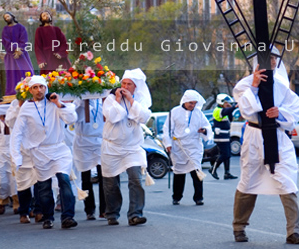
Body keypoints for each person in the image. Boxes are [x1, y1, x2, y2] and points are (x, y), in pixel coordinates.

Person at [232, 50, 299, 245]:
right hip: (254, 137)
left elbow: (293, 114)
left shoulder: (283, 86)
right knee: (248, 181)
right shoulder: (244, 85)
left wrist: (279, 113)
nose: (271, 61)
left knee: (287, 181)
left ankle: (293, 231)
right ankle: (239, 227)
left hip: (277, 137)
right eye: (267, 58)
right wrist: (255, 87)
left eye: (274, 58)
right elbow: (246, 109)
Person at [10, 75, 78, 230]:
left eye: (41, 87)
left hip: (59, 148)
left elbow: (71, 119)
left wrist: (58, 103)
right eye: (35, 87)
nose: (39, 90)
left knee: (64, 180)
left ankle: (68, 217)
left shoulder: (55, 102)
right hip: (39, 152)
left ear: (46, 88)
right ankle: (48, 217)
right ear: (30, 90)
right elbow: (17, 133)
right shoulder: (26, 108)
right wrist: (16, 156)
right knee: (44, 188)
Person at [101, 69, 152, 226]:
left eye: (129, 84)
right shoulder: (110, 99)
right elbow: (113, 117)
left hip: (132, 147)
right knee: (110, 183)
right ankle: (112, 213)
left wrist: (131, 100)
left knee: (136, 179)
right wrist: (118, 100)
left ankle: (135, 214)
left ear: (136, 87)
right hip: (111, 147)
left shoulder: (140, 100)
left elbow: (144, 117)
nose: (125, 86)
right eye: (123, 83)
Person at [162, 90, 212, 206]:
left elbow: (207, 126)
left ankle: (198, 197)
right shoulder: (174, 112)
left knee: (196, 171)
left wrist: (204, 131)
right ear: (185, 101)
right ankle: (177, 196)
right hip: (178, 146)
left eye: (194, 103)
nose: (192, 105)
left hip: (194, 146)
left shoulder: (199, 113)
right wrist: (168, 144)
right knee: (179, 172)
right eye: (190, 103)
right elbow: (167, 129)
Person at [6, 98, 40, 224]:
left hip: (36, 149)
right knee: (22, 184)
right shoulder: (14, 105)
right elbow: (9, 122)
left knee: (39, 181)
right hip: (20, 151)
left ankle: (38, 211)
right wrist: (19, 106)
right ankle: (24, 212)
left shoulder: (39, 104)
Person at [73, 98, 106, 220]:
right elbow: (75, 117)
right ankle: (89, 210)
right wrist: (81, 102)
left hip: (100, 140)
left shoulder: (103, 99)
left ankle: (104, 209)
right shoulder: (79, 100)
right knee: (85, 178)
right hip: (84, 141)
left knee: (104, 176)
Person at [0, 105, 18, 215]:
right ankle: (2, 200)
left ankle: (17, 203)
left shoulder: (14, 121)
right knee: (1, 181)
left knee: (15, 181)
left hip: (13, 153)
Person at [2, 12, 34, 96]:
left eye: (8, 16)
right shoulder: (5, 29)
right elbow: (5, 41)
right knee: (12, 74)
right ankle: (13, 92)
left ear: (12, 16)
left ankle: (30, 89)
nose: (7, 18)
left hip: (22, 54)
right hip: (11, 55)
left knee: (27, 71)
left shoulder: (21, 27)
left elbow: (24, 39)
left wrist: (20, 50)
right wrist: (15, 49)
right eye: (5, 17)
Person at [209, 93, 238, 180]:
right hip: (220, 136)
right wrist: (234, 107)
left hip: (226, 135)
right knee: (225, 154)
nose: (228, 104)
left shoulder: (225, 109)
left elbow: (230, 117)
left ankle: (227, 173)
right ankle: (213, 169)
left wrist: (230, 108)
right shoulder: (217, 110)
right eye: (226, 103)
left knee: (228, 155)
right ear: (221, 102)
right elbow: (225, 112)